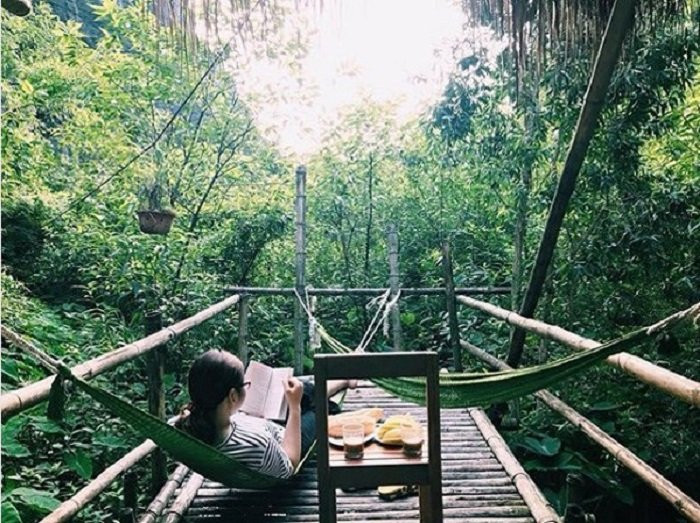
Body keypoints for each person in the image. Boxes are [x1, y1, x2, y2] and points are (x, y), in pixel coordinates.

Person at [179, 349, 352, 479]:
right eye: (244, 383)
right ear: (233, 396)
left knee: (300, 392)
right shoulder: (256, 445)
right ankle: (344, 380)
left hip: (262, 423)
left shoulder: (191, 424)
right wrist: (294, 408)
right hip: (288, 443)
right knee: (317, 406)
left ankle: (341, 381)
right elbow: (290, 463)